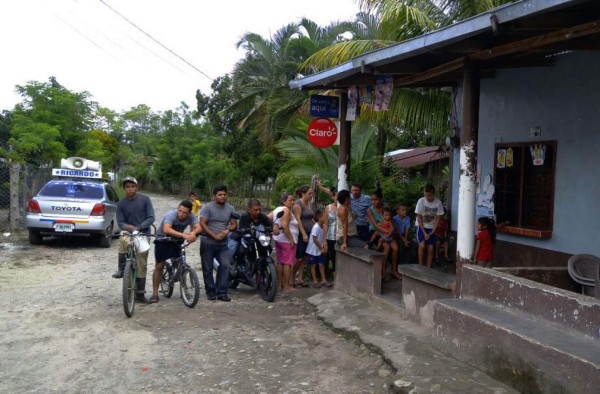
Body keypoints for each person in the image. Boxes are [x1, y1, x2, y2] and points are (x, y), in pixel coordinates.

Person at [113, 176, 155, 304]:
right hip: (128, 231)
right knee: (123, 239)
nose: (130, 189)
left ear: (136, 187)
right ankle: (121, 269)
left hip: (143, 232)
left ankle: (140, 294)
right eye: (127, 187)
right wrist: (129, 227)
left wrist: (140, 227)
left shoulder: (145, 200)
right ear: (124, 189)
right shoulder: (121, 204)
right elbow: (120, 222)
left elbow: (151, 217)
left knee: (142, 263)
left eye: (132, 186)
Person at [150, 200, 201, 303]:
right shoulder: (171, 214)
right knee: (159, 266)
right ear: (178, 208)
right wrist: (184, 235)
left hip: (177, 240)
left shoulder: (191, 216)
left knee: (180, 264)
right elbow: (166, 229)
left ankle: (184, 289)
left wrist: (193, 234)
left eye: (184, 212)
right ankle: (155, 293)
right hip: (163, 239)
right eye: (180, 210)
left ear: (189, 212)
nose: (181, 214)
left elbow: (199, 227)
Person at [199, 185, 237, 302]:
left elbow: (234, 224)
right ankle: (210, 292)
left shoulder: (230, 208)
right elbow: (202, 224)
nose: (222, 196)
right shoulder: (207, 208)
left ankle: (221, 292)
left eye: (224, 194)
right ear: (214, 196)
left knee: (225, 266)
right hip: (207, 242)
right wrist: (214, 235)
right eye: (220, 194)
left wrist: (226, 231)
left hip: (223, 244)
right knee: (208, 268)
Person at [271, 192, 298, 292]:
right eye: (290, 200)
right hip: (286, 241)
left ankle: (279, 285)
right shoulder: (286, 210)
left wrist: (275, 225)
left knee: (280, 262)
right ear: (284, 201)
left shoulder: (277, 209)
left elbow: (268, 218)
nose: (292, 202)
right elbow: (285, 225)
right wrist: (291, 239)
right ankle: (286, 286)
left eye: (293, 200)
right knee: (287, 263)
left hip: (278, 240)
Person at [366, 207, 400, 280]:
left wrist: (388, 234)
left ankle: (393, 270)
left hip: (389, 237)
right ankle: (383, 271)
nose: (387, 217)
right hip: (383, 236)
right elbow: (378, 227)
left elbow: (393, 230)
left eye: (389, 215)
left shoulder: (390, 221)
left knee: (396, 248)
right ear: (383, 215)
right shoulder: (381, 220)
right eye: (385, 215)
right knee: (386, 247)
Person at [415, 184, 444, 268]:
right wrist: (424, 232)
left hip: (431, 227)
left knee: (431, 248)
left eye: (430, 195)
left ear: (434, 193)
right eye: (425, 195)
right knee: (422, 245)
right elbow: (419, 217)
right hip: (421, 226)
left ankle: (428, 269)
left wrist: (433, 231)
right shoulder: (421, 201)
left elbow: (438, 218)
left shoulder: (438, 203)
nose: (427, 197)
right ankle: (420, 266)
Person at [292, 185, 314, 288]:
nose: (311, 195)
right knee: (299, 257)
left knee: (305, 256)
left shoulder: (309, 204)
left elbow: (311, 218)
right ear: (303, 193)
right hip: (302, 233)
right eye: (309, 193)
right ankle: (292, 276)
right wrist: (304, 234)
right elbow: (298, 220)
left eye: (311, 193)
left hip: (310, 231)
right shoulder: (298, 204)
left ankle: (300, 278)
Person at [306, 210, 329, 288]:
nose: (326, 218)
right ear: (319, 218)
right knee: (313, 265)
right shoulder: (316, 227)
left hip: (319, 248)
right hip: (313, 249)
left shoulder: (323, 226)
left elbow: (324, 237)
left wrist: (324, 245)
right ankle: (315, 281)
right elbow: (314, 239)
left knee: (321, 264)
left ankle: (323, 280)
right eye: (324, 217)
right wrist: (320, 247)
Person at [321, 186, 338, 283]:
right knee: (332, 257)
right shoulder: (329, 208)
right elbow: (325, 224)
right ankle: (334, 278)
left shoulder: (345, 207)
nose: (337, 198)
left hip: (341, 236)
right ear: (333, 197)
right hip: (331, 236)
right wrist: (324, 240)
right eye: (336, 196)